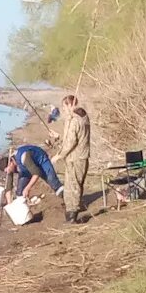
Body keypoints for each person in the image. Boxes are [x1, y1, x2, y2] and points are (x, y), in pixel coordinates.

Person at [52, 93, 93, 223]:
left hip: (75, 158)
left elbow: (71, 142)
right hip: (82, 156)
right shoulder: (84, 117)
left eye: (64, 107)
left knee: (73, 186)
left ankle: (72, 216)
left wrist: (59, 155)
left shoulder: (74, 120)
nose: (64, 111)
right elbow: (74, 138)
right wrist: (58, 137)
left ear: (70, 105)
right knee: (74, 184)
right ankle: (71, 211)